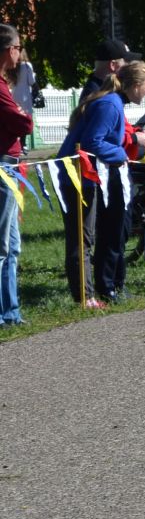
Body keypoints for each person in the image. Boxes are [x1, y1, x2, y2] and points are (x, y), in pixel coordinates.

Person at [59, 61, 145, 306]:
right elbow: (93, 142)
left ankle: (98, 291)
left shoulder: (113, 102)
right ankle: (88, 295)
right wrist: (122, 153)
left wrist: (128, 143)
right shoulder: (110, 104)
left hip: (91, 176)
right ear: (136, 85)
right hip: (79, 176)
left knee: (97, 234)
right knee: (84, 238)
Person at [0, 26, 33, 325]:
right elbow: (22, 123)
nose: (20, 53)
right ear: (9, 50)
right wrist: (23, 116)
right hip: (3, 166)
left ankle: (11, 311)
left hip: (10, 165)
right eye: (18, 47)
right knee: (1, 245)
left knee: (12, 245)